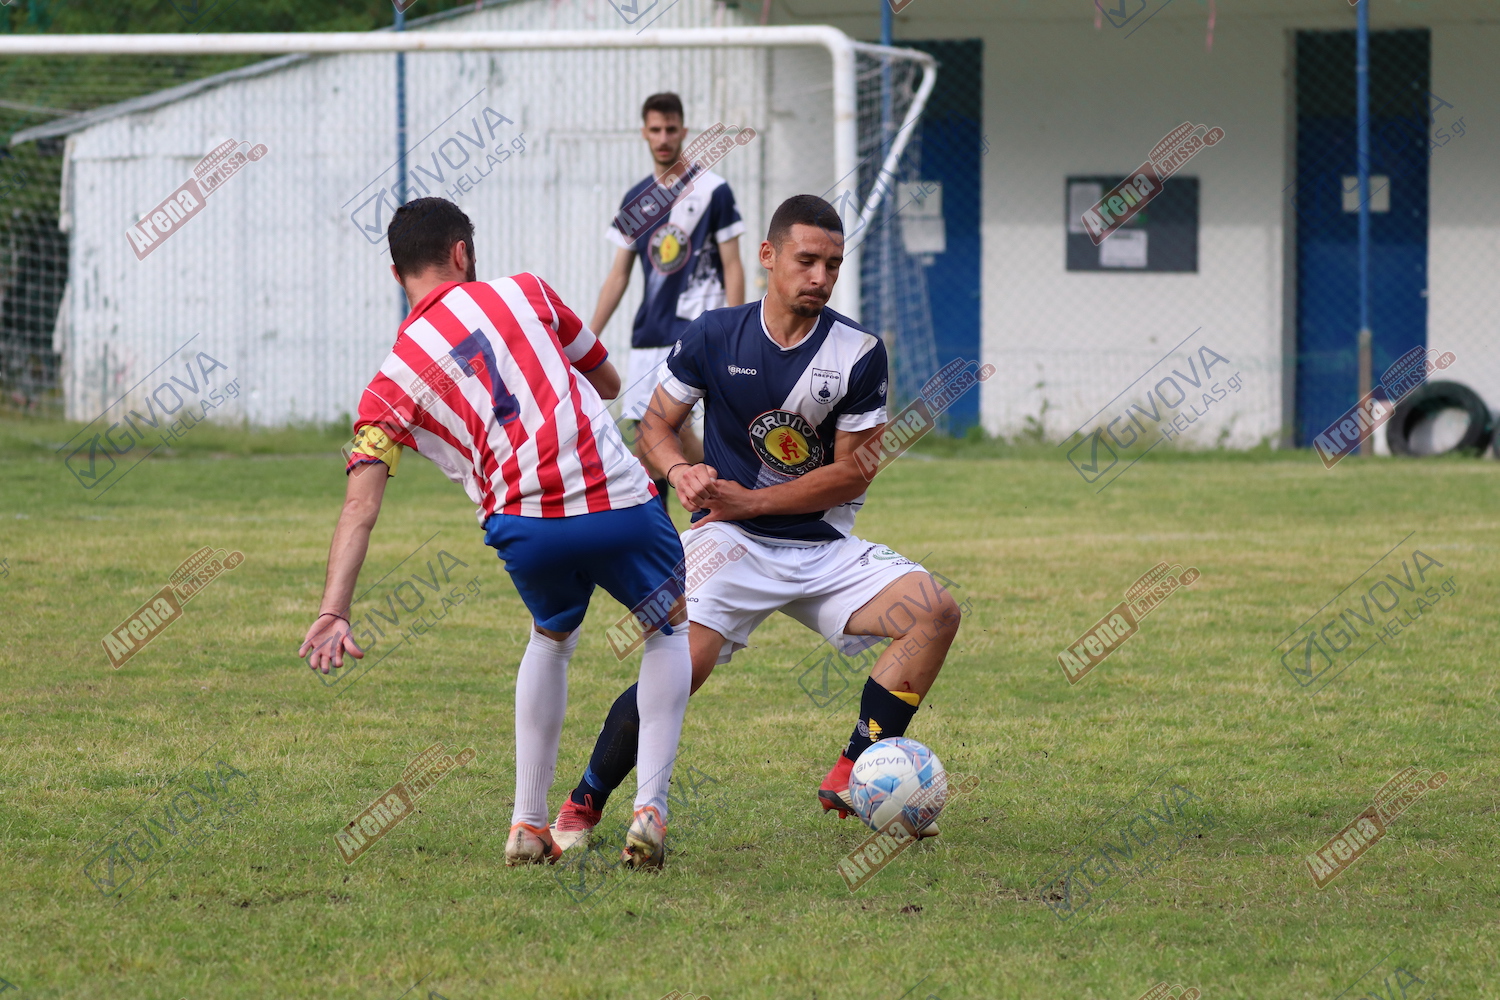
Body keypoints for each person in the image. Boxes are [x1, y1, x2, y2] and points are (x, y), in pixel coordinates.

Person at [549, 195, 961, 849]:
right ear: (768, 256)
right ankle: (584, 802)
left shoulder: (859, 352)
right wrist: (680, 471)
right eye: (807, 260)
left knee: (935, 612)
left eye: (832, 264)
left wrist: (752, 500)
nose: (820, 277)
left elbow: (855, 473)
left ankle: (855, 770)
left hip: (822, 545)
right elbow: (655, 425)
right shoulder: (715, 334)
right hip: (729, 542)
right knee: (679, 671)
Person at [297, 197, 691, 870]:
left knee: (551, 637)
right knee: (669, 629)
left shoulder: (390, 382)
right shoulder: (526, 291)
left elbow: (359, 507)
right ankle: (648, 809)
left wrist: (335, 609)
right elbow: (606, 379)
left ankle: (527, 823)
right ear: (462, 253)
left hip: (523, 523)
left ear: (397, 275)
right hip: (615, 500)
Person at [590, 91, 746, 506]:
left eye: (670, 129)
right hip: (649, 336)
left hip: (697, 331)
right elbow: (619, 275)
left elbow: (733, 265)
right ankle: (702, 510)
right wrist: (587, 338)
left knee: (668, 433)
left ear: (684, 131)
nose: (663, 138)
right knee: (647, 443)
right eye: (655, 130)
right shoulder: (635, 199)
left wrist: (736, 331)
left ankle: (733, 498)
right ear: (644, 132)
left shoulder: (714, 191)